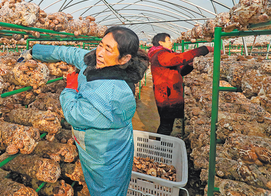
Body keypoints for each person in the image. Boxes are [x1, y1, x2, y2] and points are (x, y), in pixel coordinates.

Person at [22, 26, 149, 196]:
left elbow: (74, 114)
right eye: (101, 45)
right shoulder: (98, 62)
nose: (100, 53)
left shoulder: (113, 94)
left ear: (124, 59)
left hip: (105, 152)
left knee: (107, 189)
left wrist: (70, 88)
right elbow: (71, 53)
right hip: (93, 143)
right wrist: (34, 51)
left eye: (108, 49)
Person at [147, 33, 213, 136]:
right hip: (166, 95)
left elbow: (180, 71)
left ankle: (162, 144)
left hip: (169, 93)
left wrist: (189, 66)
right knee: (166, 125)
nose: (171, 42)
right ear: (161, 42)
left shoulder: (164, 54)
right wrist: (204, 49)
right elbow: (180, 58)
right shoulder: (161, 54)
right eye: (168, 40)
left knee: (168, 124)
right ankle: (160, 147)